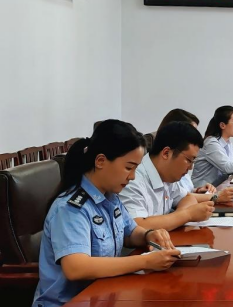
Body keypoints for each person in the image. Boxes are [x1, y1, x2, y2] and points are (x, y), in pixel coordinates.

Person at [33, 120, 180, 307]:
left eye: (136, 168)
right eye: (128, 167)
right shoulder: (71, 208)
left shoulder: (110, 197)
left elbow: (130, 232)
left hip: (104, 295)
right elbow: (76, 268)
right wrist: (144, 262)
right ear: (101, 161)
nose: (133, 176)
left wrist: (148, 235)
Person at [119, 122, 224, 231]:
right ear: (166, 153)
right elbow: (137, 226)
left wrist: (178, 216)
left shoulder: (167, 176)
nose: (191, 167)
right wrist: (186, 215)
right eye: (189, 160)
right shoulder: (133, 179)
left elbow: (188, 198)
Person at [155, 109, 233, 199]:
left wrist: (197, 190)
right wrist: (216, 197)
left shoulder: (179, 165)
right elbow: (181, 199)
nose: (191, 167)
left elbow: (182, 194)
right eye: (191, 132)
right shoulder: (169, 170)